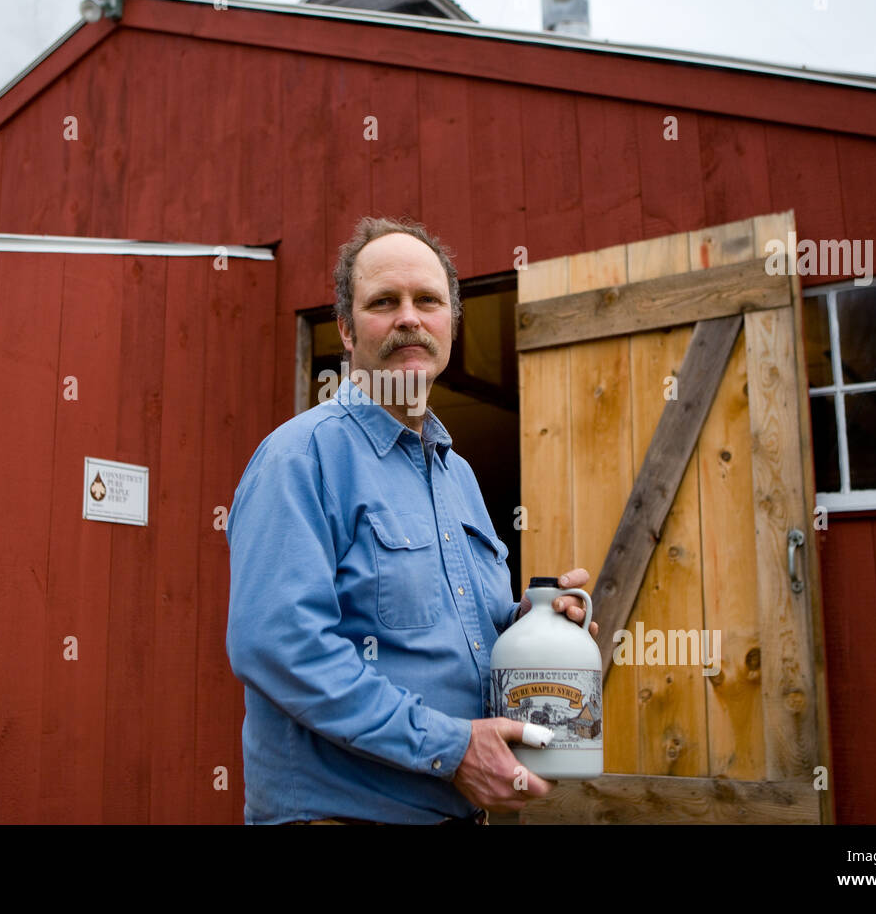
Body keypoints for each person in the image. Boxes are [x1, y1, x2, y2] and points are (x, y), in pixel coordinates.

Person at [225, 216, 597, 824]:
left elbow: (458, 638)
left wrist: (535, 623)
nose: (409, 318)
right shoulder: (301, 458)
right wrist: (450, 749)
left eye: (428, 300)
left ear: (451, 321)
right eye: (383, 302)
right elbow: (279, 645)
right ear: (346, 328)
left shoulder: (459, 478)